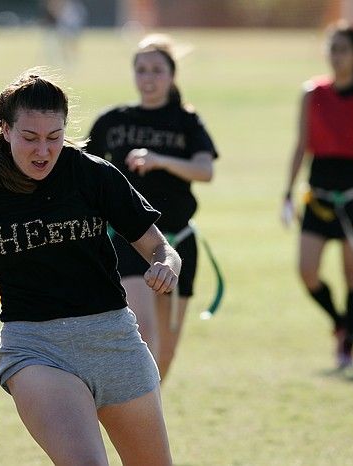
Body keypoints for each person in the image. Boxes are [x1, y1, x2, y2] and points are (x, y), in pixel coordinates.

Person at [0, 72, 180, 466]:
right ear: (4, 129)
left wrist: (166, 265)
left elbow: (159, 247)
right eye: (30, 137)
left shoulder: (92, 174)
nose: (43, 151)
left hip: (113, 339)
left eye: (54, 137)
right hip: (36, 348)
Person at [85, 34, 218, 382]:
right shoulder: (112, 121)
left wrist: (160, 160)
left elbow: (205, 170)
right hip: (129, 241)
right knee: (143, 331)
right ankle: (132, 414)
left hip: (179, 241)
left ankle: (146, 420)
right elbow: (85, 171)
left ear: (171, 75)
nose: (149, 77)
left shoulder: (187, 121)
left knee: (167, 349)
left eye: (157, 70)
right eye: (141, 69)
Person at [281, 22, 353, 369]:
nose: (337, 55)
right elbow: (301, 145)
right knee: (306, 270)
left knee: (352, 270)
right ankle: (339, 322)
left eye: (344, 49)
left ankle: (349, 345)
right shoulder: (312, 93)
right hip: (320, 196)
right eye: (333, 48)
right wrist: (287, 192)